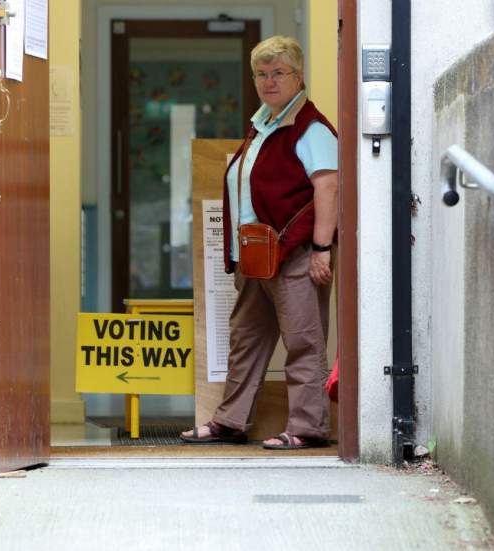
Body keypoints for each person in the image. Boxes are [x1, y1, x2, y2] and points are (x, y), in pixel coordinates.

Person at [181, 35, 337, 449]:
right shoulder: (264, 124)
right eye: (261, 74)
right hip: (256, 256)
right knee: (246, 340)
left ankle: (307, 428)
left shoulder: (310, 127)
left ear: (298, 77)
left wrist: (322, 249)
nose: (269, 81)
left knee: (304, 342)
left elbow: (330, 188)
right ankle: (231, 423)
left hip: (295, 254)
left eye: (278, 73)